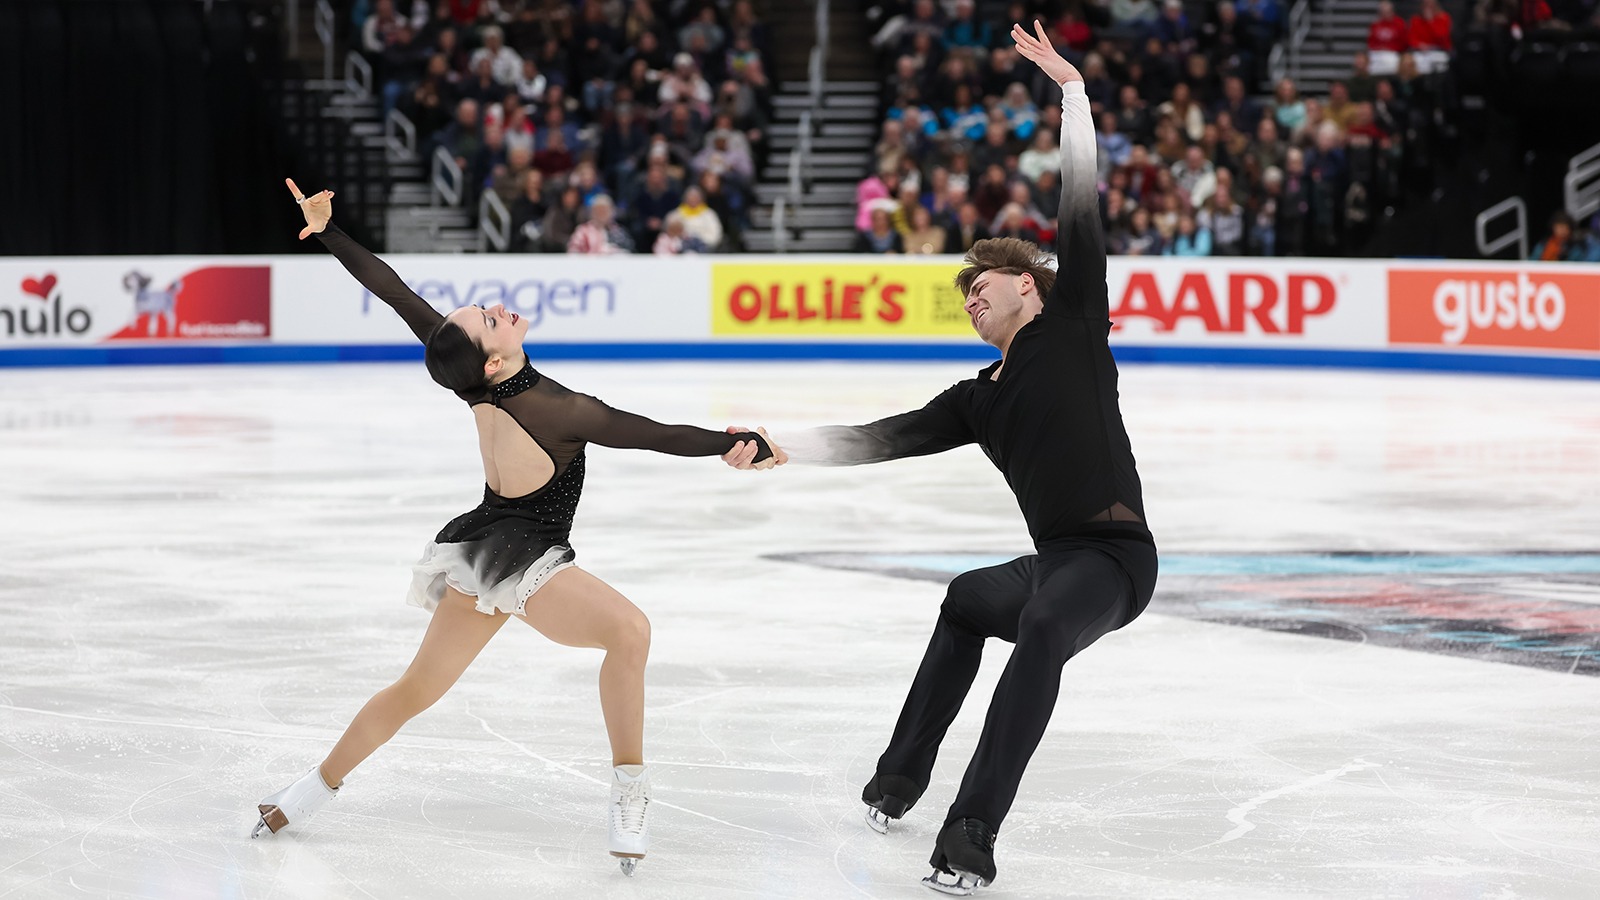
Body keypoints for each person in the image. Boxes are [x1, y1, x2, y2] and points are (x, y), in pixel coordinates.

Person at [735, 22, 1157, 895]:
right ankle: (898, 779)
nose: (971, 299)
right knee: (969, 600)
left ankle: (971, 832)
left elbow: (1082, 207)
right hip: (1057, 560)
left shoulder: (1074, 324)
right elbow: (882, 437)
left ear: (1028, 288)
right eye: (964, 294)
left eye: (983, 286)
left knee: (1040, 630)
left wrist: (1073, 94)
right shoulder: (977, 397)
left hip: (1115, 562)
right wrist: (786, 447)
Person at [255, 179, 781, 876]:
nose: (497, 310)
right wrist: (734, 441)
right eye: (489, 319)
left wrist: (328, 231)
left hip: (478, 549)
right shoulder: (559, 408)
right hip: (524, 555)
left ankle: (306, 795)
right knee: (629, 633)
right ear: (496, 358)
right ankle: (631, 790)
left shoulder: (471, 374)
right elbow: (652, 434)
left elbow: (395, 293)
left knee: (418, 689)